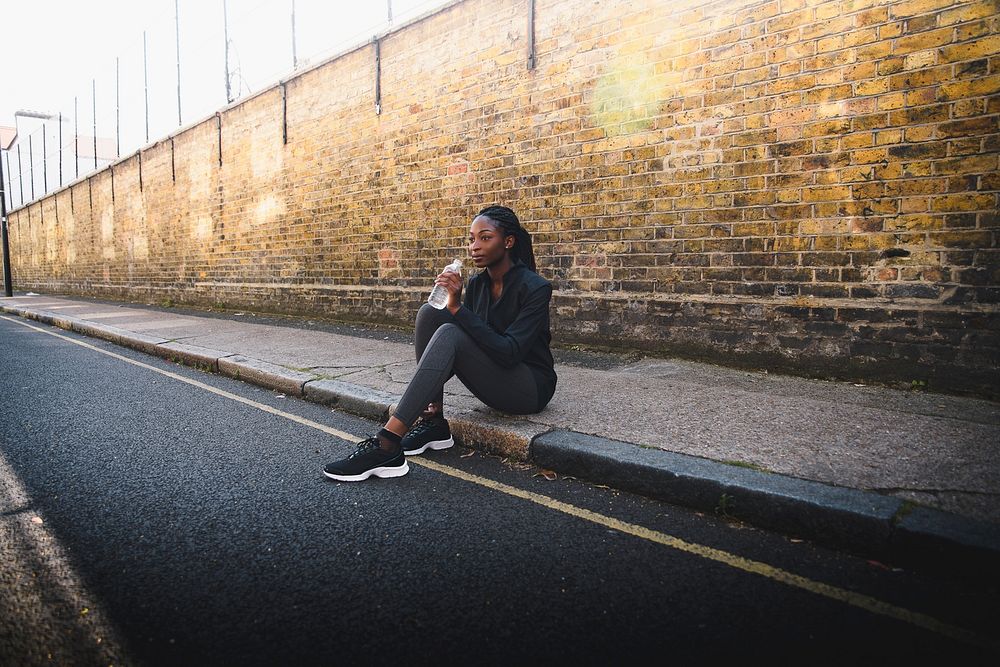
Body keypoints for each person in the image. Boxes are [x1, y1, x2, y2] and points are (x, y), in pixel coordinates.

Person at [323, 205, 557, 481]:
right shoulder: (479, 284)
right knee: (431, 313)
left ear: (508, 242)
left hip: (528, 389)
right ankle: (434, 421)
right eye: (471, 239)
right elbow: (476, 338)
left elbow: (509, 352)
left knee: (450, 331)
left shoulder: (536, 288)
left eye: (485, 237)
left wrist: (458, 309)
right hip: (497, 377)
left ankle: (387, 443)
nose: (475, 246)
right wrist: (452, 307)